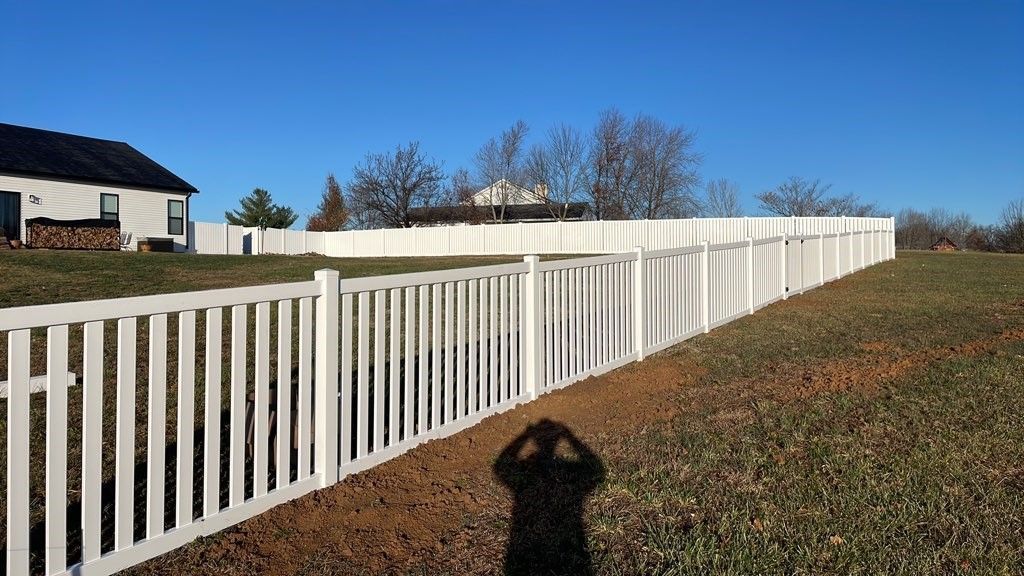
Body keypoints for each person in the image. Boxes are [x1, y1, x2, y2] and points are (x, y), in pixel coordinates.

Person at [494, 419, 605, 575]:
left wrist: (526, 435)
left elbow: (500, 467)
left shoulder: (526, 485)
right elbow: (596, 470)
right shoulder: (573, 480)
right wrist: (570, 436)